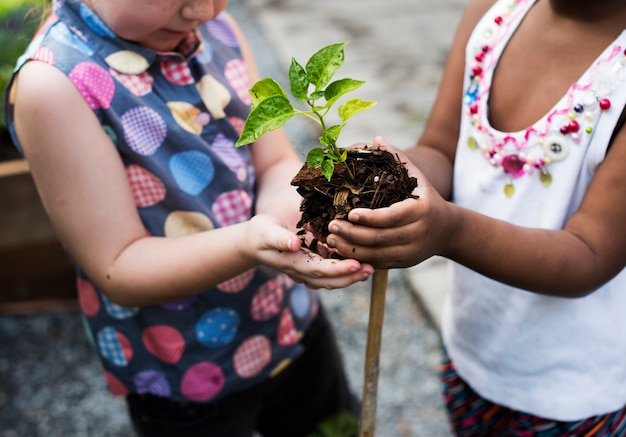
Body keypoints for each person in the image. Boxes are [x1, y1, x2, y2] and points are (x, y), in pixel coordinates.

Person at [5, 0, 372, 435]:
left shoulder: (218, 30)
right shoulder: (55, 86)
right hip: (188, 372)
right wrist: (247, 243)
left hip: (290, 325)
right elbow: (118, 265)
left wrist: (286, 220)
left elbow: (273, 162)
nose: (200, 9)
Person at [325, 0, 626, 435]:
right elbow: (443, 149)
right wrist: (385, 180)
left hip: (574, 395)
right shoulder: (493, 16)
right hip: (470, 353)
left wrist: (450, 231)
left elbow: (589, 255)